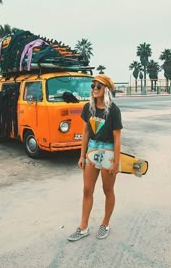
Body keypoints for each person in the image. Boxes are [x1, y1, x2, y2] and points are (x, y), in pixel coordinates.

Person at [68, 74, 123, 241]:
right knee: (87, 190)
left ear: (106, 90)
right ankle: (83, 227)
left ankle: (105, 223)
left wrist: (116, 162)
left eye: (98, 87)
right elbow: (85, 132)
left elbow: (117, 137)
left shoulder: (113, 110)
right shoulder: (88, 108)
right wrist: (81, 155)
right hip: (92, 149)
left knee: (107, 190)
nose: (94, 89)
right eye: (93, 86)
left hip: (108, 151)